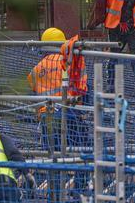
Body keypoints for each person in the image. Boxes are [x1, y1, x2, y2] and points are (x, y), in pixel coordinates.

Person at [27, 26, 89, 158]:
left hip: (47, 115)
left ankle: (54, 175)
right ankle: (79, 176)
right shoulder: (69, 62)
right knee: (77, 152)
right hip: (70, 111)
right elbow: (83, 86)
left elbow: (33, 91)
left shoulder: (36, 69)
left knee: (51, 153)